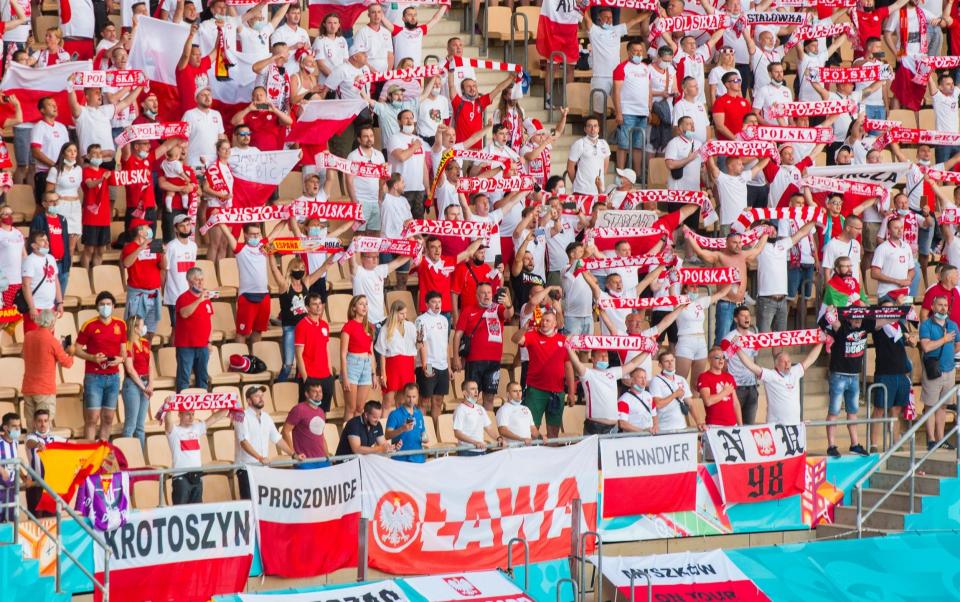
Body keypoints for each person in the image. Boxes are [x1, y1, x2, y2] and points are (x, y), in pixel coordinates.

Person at [687, 229, 770, 345]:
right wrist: (689, 235)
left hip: (741, 304)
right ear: (726, 243)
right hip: (726, 304)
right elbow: (701, 253)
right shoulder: (719, 256)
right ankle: (718, 362)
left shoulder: (743, 255)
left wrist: (766, 233)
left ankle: (730, 363)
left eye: (740, 242)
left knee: (736, 342)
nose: (738, 245)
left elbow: (758, 250)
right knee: (723, 341)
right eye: (734, 243)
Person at [452, 283, 515, 410]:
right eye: (483, 293)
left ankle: (487, 428)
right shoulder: (468, 310)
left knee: (490, 397)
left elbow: (509, 314)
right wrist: (456, 358)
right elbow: (457, 335)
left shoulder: (497, 308)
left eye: (489, 292)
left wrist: (508, 304)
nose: (487, 295)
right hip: (474, 361)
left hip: (494, 361)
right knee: (471, 397)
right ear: (477, 295)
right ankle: (471, 428)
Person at [235, 385, 304, 498]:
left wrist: (293, 454)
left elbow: (277, 438)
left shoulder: (267, 417)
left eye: (262, 395)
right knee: (250, 504)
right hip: (247, 469)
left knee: (263, 504)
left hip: (263, 468)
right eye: (257, 396)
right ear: (248, 400)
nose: (261, 398)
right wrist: (260, 458)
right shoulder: (241, 416)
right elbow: (243, 442)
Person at [75, 291, 126, 441]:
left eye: (108, 304)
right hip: (93, 376)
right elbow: (76, 349)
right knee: (92, 417)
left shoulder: (121, 325)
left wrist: (120, 359)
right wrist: (92, 357)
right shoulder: (89, 325)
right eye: (102, 304)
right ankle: (90, 451)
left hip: (113, 376)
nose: (105, 307)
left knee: (108, 417)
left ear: (113, 306)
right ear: (97, 307)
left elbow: (124, 351)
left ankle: (103, 451)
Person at [735, 342, 825, 423]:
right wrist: (737, 349)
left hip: (795, 425)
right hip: (776, 427)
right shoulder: (771, 375)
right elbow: (751, 366)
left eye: (789, 361)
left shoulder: (795, 371)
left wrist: (822, 342)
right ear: (776, 364)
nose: (787, 364)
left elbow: (810, 359)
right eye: (783, 362)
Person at [568, 346, 649, 435]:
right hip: (595, 427)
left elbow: (633, 363)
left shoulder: (613, 372)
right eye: (601, 356)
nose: (604, 358)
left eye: (606, 356)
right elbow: (576, 363)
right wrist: (568, 348)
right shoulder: (588, 373)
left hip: (613, 428)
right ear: (593, 358)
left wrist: (647, 351)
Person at [870, 295, 916, 448]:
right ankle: (874, 445)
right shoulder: (877, 324)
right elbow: (879, 323)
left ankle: (895, 443)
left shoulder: (900, 325)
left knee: (896, 411)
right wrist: (895, 311)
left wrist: (912, 340)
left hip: (901, 373)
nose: (890, 311)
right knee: (879, 409)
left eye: (892, 308)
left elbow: (912, 342)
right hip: (885, 373)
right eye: (886, 308)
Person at [20, 309, 74, 431]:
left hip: (28, 386)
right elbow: (67, 363)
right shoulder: (52, 340)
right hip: (45, 388)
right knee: (43, 428)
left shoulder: (28, 336)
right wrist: (71, 353)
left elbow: (23, 355)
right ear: (52, 323)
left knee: (31, 427)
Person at [165, 402, 226, 505]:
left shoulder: (197, 428)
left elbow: (215, 418)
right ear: (179, 415)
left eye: (193, 414)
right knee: (180, 512)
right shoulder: (174, 431)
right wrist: (168, 407)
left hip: (197, 476)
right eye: (188, 414)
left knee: (197, 513)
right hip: (181, 476)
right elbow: (167, 421)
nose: (191, 417)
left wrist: (229, 405)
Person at [919, 295, 959, 450]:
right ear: (933, 306)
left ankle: (941, 439)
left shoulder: (953, 325)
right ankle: (931, 439)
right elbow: (926, 347)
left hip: (949, 371)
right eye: (940, 305)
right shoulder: (926, 325)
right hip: (933, 372)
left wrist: (948, 354)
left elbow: (958, 345)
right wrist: (944, 340)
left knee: (943, 406)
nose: (943, 308)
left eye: (945, 305)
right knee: (930, 406)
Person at [174, 267, 214, 392]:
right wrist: (199, 300)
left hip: (203, 346)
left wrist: (210, 341)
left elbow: (210, 321)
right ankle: (183, 409)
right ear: (190, 282)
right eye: (197, 280)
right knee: (184, 379)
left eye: (202, 280)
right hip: (186, 346)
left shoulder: (207, 299)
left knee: (202, 378)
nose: (201, 283)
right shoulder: (183, 298)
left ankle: (201, 408)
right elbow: (184, 313)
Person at [122, 223, 165, 339]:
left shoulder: (154, 246)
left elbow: (164, 266)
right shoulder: (129, 247)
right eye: (147, 227)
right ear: (140, 232)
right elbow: (126, 263)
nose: (150, 230)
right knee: (134, 330)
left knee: (150, 332)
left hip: (154, 294)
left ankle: (145, 355)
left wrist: (164, 254)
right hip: (138, 295)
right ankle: (133, 355)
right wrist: (140, 248)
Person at [293, 293, 334, 411]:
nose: (318, 307)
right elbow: (298, 354)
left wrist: (330, 374)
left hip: (326, 376)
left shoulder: (324, 325)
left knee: (323, 413)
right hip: (310, 376)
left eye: (320, 303)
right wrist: (306, 378)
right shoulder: (302, 326)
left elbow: (326, 349)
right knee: (306, 413)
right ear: (307, 307)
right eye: (314, 304)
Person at [375, 300, 417, 411]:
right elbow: (382, 353)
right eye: (401, 313)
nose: (404, 316)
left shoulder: (410, 326)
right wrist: (383, 374)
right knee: (388, 399)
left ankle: (401, 425)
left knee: (403, 400)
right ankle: (385, 426)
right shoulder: (386, 329)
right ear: (394, 313)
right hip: (392, 365)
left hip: (407, 363)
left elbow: (417, 345)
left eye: (405, 313)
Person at [340, 295, 376, 422]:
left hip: (366, 365)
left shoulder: (370, 327)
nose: (364, 306)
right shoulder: (348, 326)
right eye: (361, 304)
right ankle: (346, 439)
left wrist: (373, 373)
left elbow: (370, 351)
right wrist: (345, 377)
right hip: (352, 365)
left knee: (360, 408)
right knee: (350, 408)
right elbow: (343, 353)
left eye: (366, 304)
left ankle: (355, 436)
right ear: (354, 308)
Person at [20, 231, 63, 334]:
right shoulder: (29, 261)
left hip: (49, 307)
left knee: (48, 341)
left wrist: (60, 302)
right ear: (34, 245)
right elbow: (26, 285)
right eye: (42, 240)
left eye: (47, 240)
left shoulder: (51, 258)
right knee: (33, 342)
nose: (46, 243)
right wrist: (32, 307)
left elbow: (55, 281)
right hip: (36, 307)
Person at [723, 307, 760, 425]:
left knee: (749, 426)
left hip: (752, 387)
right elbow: (724, 363)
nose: (747, 318)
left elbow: (754, 358)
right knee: (735, 426)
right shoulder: (728, 338)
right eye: (743, 315)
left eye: (748, 315)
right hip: (736, 388)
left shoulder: (754, 337)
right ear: (735, 319)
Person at [282, 380, 330, 469]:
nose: (318, 394)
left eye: (320, 391)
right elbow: (285, 431)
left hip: (322, 460)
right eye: (314, 391)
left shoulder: (321, 411)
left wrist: (327, 455)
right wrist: (294, 455)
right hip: (305, 461)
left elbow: (321, 435)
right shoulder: (299, 409)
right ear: (307, 394)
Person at [163, 215, 198, 336]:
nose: (186, 228)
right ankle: (173, 353)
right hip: (175, 296)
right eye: (182, 226)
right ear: (176, 229)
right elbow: (164, 271)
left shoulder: (193, 246)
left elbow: (193, 271)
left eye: (188, 225)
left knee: (190, 328)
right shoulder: (170, 247)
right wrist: (162, 292)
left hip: (190, 295)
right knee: (176, 329)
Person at [25, 409, 64, 517]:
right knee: (35, 520)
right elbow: (29, 443)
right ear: (34, 423)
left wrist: (96, 442)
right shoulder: (30, 437)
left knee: (52, 519)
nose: (43, 424)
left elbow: (74, 443)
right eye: (40, 421)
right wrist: (38, 444)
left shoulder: (56, 438)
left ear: (49, 422)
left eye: (45, 421)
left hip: (51, 485)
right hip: (35, 485)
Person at [121, 314, 152, 447]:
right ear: (134, 328)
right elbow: (130, 368)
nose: (144, 328)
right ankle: (126, 457)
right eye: (141, 325)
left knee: (140, 426)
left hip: (145, 384)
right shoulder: (127, 345)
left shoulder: (145, 342)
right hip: (133, 385)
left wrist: (151, 384)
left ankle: (141, 459)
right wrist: (143, 387)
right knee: (131, 425)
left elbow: (150, 365)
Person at [649, 351, 699, 432]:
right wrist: (674, 395)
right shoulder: (656, 381)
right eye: (666, 361)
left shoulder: (681, 379)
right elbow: (657, 404)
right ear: (660, 365)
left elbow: (690, 404)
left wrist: (698, 422)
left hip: (682, 426)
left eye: (672, 360)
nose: (670, 363)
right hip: (664, 428)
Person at [452, 380, 503, 455]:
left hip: (481, 449)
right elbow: (457, 433)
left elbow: (489, 428)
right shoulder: (460, 409)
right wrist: (474, 442)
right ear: (464, 393)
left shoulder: (480, 408)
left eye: (477, 388)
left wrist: (498, 438)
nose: (476, 391)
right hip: (467, 450)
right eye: (472, 389)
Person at [697, 347, 742, 427]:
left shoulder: (729, 377)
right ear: (709, 360)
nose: (721, 360)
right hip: (715, 425)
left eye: (723, 357)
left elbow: (735, 403)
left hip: (733, 424)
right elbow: (708, 401)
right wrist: (725, 392)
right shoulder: (704, 377)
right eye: (717, 358)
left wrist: (740, 425)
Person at [567, 117, 611, 196]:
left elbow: (605, 167)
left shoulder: (604, 143)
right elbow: (570, 168)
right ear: (585, 129)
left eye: (595, 126)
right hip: (581, 191)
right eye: (589, 126)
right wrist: (578, 184)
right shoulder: (579, 143)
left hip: (598, 190)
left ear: (599, 128)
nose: (592, 128)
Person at [385, 383, 428, 463]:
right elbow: (387, 435)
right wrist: (402, 429)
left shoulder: (419, 413)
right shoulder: (395, 414)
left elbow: (423, 432)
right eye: (408, 397)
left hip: (418, 458)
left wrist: (425, 438)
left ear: (418, 396)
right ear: (404, 396)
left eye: (414, 397)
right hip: (400, 459)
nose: (411, 400)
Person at [617, 368, 658, 433]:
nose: (643, 380)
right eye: (640, 377)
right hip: (633, 439)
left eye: (645, 377)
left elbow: (654, 415)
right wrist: (642, 432)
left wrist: (655, 427)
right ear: (632, 380)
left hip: (649, 437)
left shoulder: (648, 395)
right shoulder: (624, 399)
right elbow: (622, 424)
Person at [0, 412, 20, 521]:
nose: (17, 429)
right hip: (1, 488)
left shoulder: (15, 443)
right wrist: (1, 470)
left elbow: (16, 463)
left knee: (12, 519)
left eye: (19, 426)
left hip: (11, 488)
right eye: (14, 426)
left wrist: (24, 476)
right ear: (5, 427)